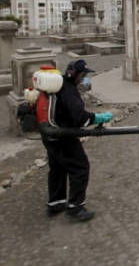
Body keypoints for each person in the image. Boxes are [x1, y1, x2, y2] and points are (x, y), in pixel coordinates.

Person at [41, 59, 112, 222]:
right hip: (63, 137)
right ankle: (75, 208)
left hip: (50, 136)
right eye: (83, 75)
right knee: (80, 167)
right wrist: (97, 117)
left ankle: (56, 203)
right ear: (75, 74)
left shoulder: (59, 85)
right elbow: (78, 117)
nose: (84, 78)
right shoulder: (69, 90)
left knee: (58, 167)